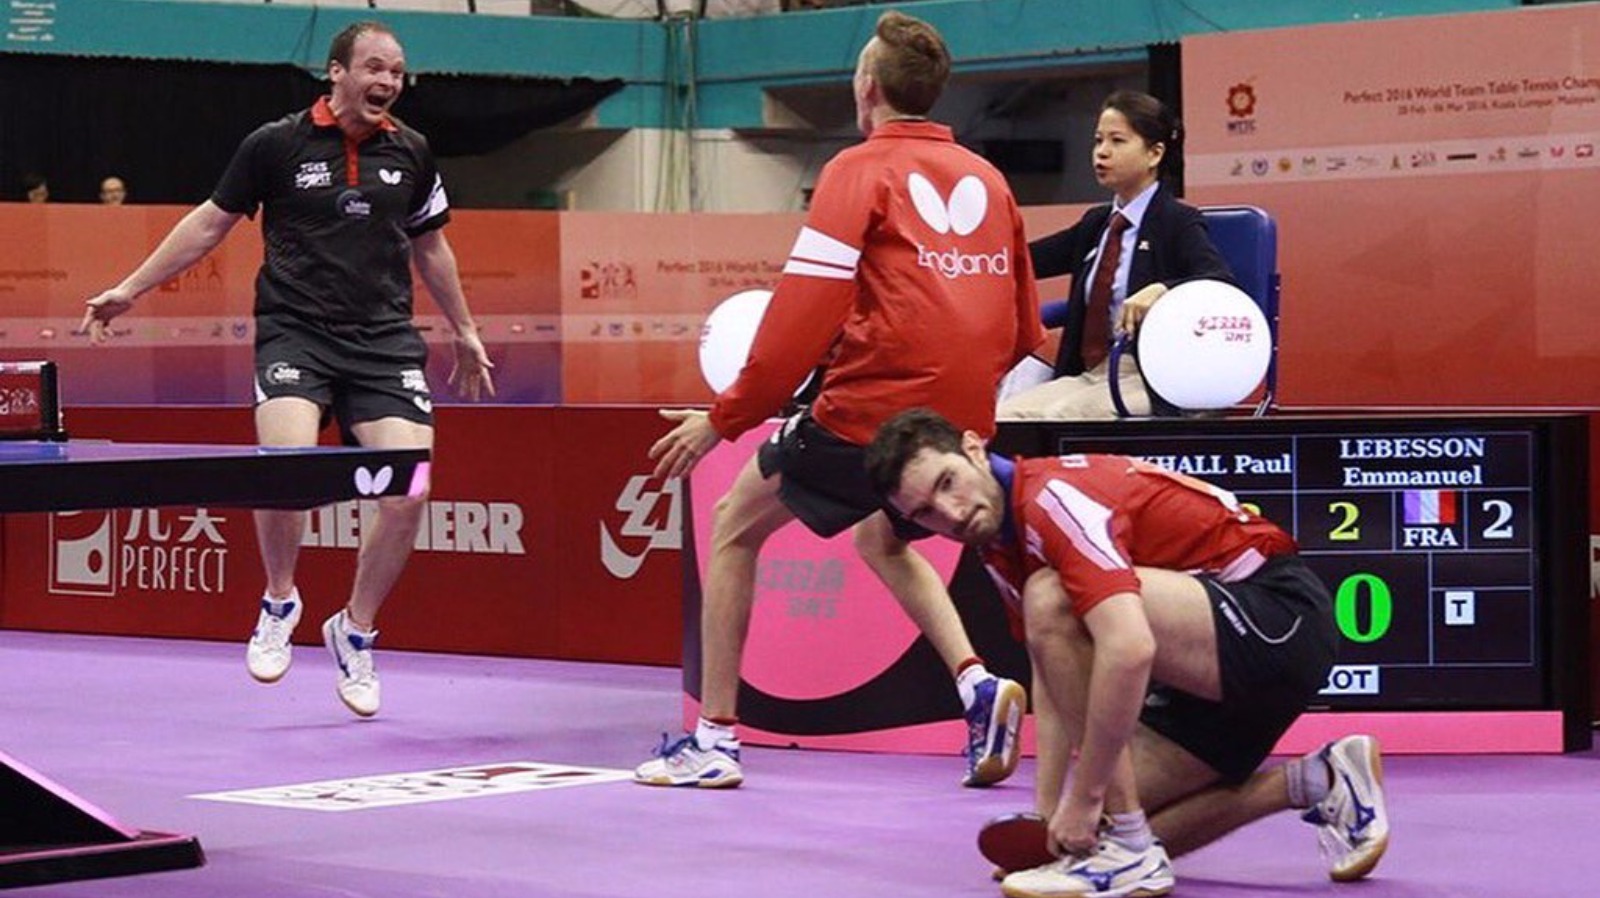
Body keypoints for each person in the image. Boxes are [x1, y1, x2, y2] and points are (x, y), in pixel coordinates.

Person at [636, 10, 1044, 789]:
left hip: (869, 416)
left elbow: (802, 314)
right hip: (957, 423)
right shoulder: (990, 180)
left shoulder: (857, 170)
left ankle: (714, 741)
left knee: (732, 528)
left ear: (867, 88)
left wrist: (724, 418)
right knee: (883, 537)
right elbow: (1023, 326)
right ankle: (977, 686)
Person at [81, 20, 494, 718]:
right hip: (296, 334)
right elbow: (209, 223)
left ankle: (355, 629)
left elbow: (432, 248)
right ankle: (279, 600)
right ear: (336, 72)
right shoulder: (275, 145)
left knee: (411, 489)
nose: (388, 81)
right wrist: (131, 288)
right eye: (374, 67)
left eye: (397, 71)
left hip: (383, 343)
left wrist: (466, 330)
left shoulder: (413, 152)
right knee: (284, 467)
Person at [866, 409, 1390, 898]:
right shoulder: (996, 547)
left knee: (1051, 598)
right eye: (925, 513)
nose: (950, 513)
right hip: (1206, 667)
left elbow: (1131, 648)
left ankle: (1128, 847)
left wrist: (1086, 795)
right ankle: (1321, 778)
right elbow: (1051, 677)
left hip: (1276, 619)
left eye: (947, 483)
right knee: (1091, 834)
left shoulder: (1053, 499)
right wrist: (1048, 820)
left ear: (974, 449)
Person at [998, 90, 1233, 420]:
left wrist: (1162, 290)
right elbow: (1025, 262)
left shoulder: (1176, 221)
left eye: (1117, 141)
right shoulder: (1097, 224)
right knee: (1004, 418)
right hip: (1089, 374)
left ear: (1154, 154)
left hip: (1150, 377)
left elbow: (1219, 282)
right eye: (1098, 141)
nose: (1102, 152)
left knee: (1061, 416)